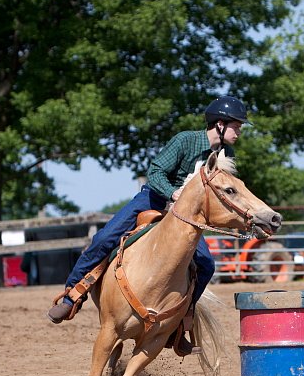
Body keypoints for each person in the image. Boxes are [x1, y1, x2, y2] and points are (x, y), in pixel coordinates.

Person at [47, 96, 250, 353]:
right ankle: (72, 296)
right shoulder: (185, 141)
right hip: (152, 200)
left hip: (184, 219)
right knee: (103, 239)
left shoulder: (226, 155)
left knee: (207, 265)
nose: (239, 130)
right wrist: (173, 193)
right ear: (219, 124)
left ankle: (177, 326)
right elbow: (155, 173)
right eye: (236, 125)